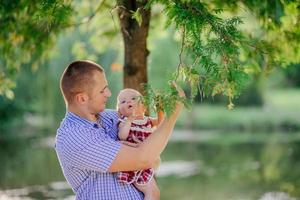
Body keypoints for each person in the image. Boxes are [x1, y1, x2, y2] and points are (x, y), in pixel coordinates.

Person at [55, 60, 185, 200]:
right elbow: (143, 158)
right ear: (82, 98)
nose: (109, 94)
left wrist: (160, 111)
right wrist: (173, 114)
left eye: (107, 87)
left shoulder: (109, 116)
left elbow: (152, 152)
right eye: (102, 90)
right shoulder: (74, 136)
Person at [116, 88, 164, 200]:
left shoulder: (147, 121)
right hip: (133, 165)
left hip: (144, 164)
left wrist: (159, 109)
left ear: (144, 107)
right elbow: (122, 136)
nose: (128, 102)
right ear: (120, 111)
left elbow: (161, 123)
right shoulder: (124, 121)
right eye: (123, 101)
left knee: (155, 193)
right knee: (153, 193)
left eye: (133, 99)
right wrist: (130, 120)